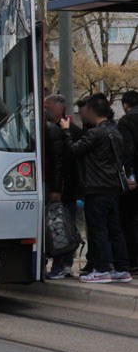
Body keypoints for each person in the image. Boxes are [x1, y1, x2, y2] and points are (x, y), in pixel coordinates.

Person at [61, 96, 133, 283]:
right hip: (113, 187)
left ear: (92, 112)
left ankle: (101, 269)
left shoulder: (95, 133)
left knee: (98, 228)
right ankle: (122, 268)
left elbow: (73, 151)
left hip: (96, 187)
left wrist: (66, 131)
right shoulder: (115, 132)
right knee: (115, 229)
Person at [44, 95, 74, 278]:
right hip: (59, 186)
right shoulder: (50, 128)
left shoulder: (62, 130)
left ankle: (62, 264)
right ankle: (59, 264)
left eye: (48, 105)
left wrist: (56, 188)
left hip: (62, 188)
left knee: (59, 225)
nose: (44, 107)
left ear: (59, 108)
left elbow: (58, 162)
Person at [116, 90, 138, 273]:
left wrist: (129, 177)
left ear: (125, 105)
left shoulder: (127, 121)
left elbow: (128, 151)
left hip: (135, 180)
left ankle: (132, 260)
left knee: (128, 219)